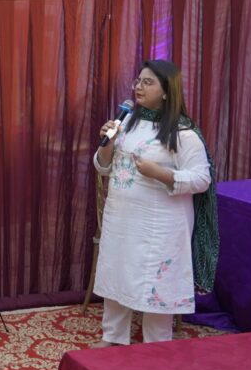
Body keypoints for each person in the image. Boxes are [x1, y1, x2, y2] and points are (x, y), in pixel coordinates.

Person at [92, 59, 217, 347]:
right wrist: (107, 143)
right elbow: (102, 167)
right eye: (138, 81)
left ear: (166, 91)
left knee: (157, 281)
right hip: (122, 217)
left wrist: (160, 174)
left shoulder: (183, 133)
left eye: (148, 82)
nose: (138, 87)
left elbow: (202, 180)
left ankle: (157, 345)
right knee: (117, 271)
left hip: (161, 225)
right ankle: (113, 337)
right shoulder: (126, 123)